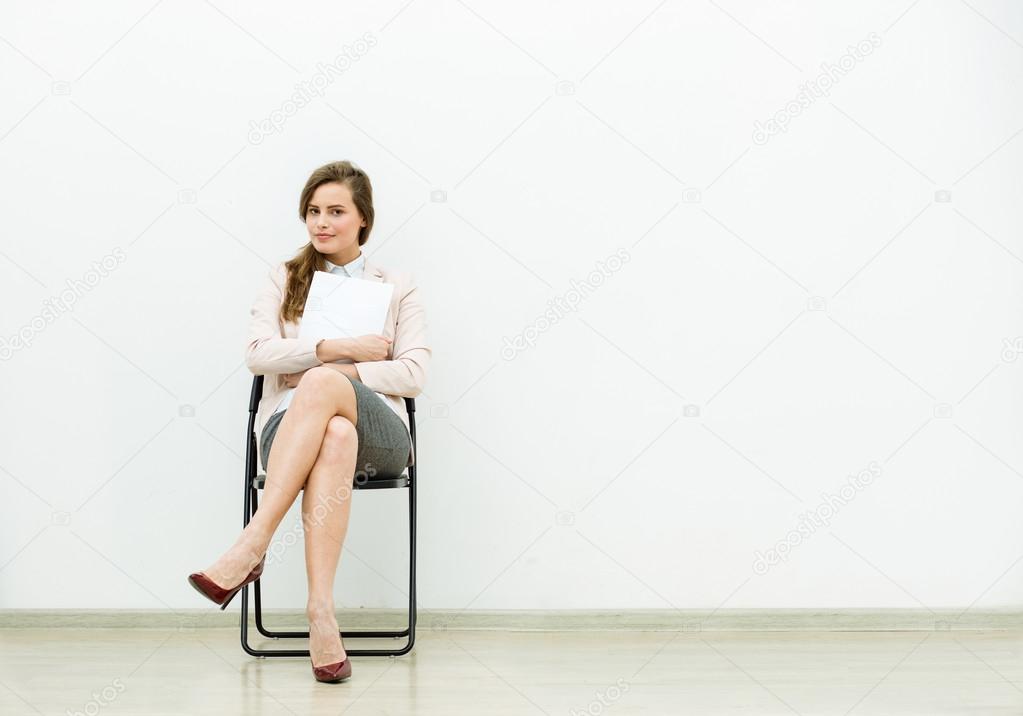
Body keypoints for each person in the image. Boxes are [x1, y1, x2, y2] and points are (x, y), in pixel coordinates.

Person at [187, 160, 430, 683]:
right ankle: (321, 613)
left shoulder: (398, 286)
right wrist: (334, 347)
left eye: (336, 211)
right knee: (334, 431)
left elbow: (412, 373)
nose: (322, 223)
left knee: (324, 388)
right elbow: (256, 354)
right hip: (291, 430)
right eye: (313, 211)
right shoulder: (284, 277)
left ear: (363, 219)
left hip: (380, 435)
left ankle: (252, 544)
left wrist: (335, 371)